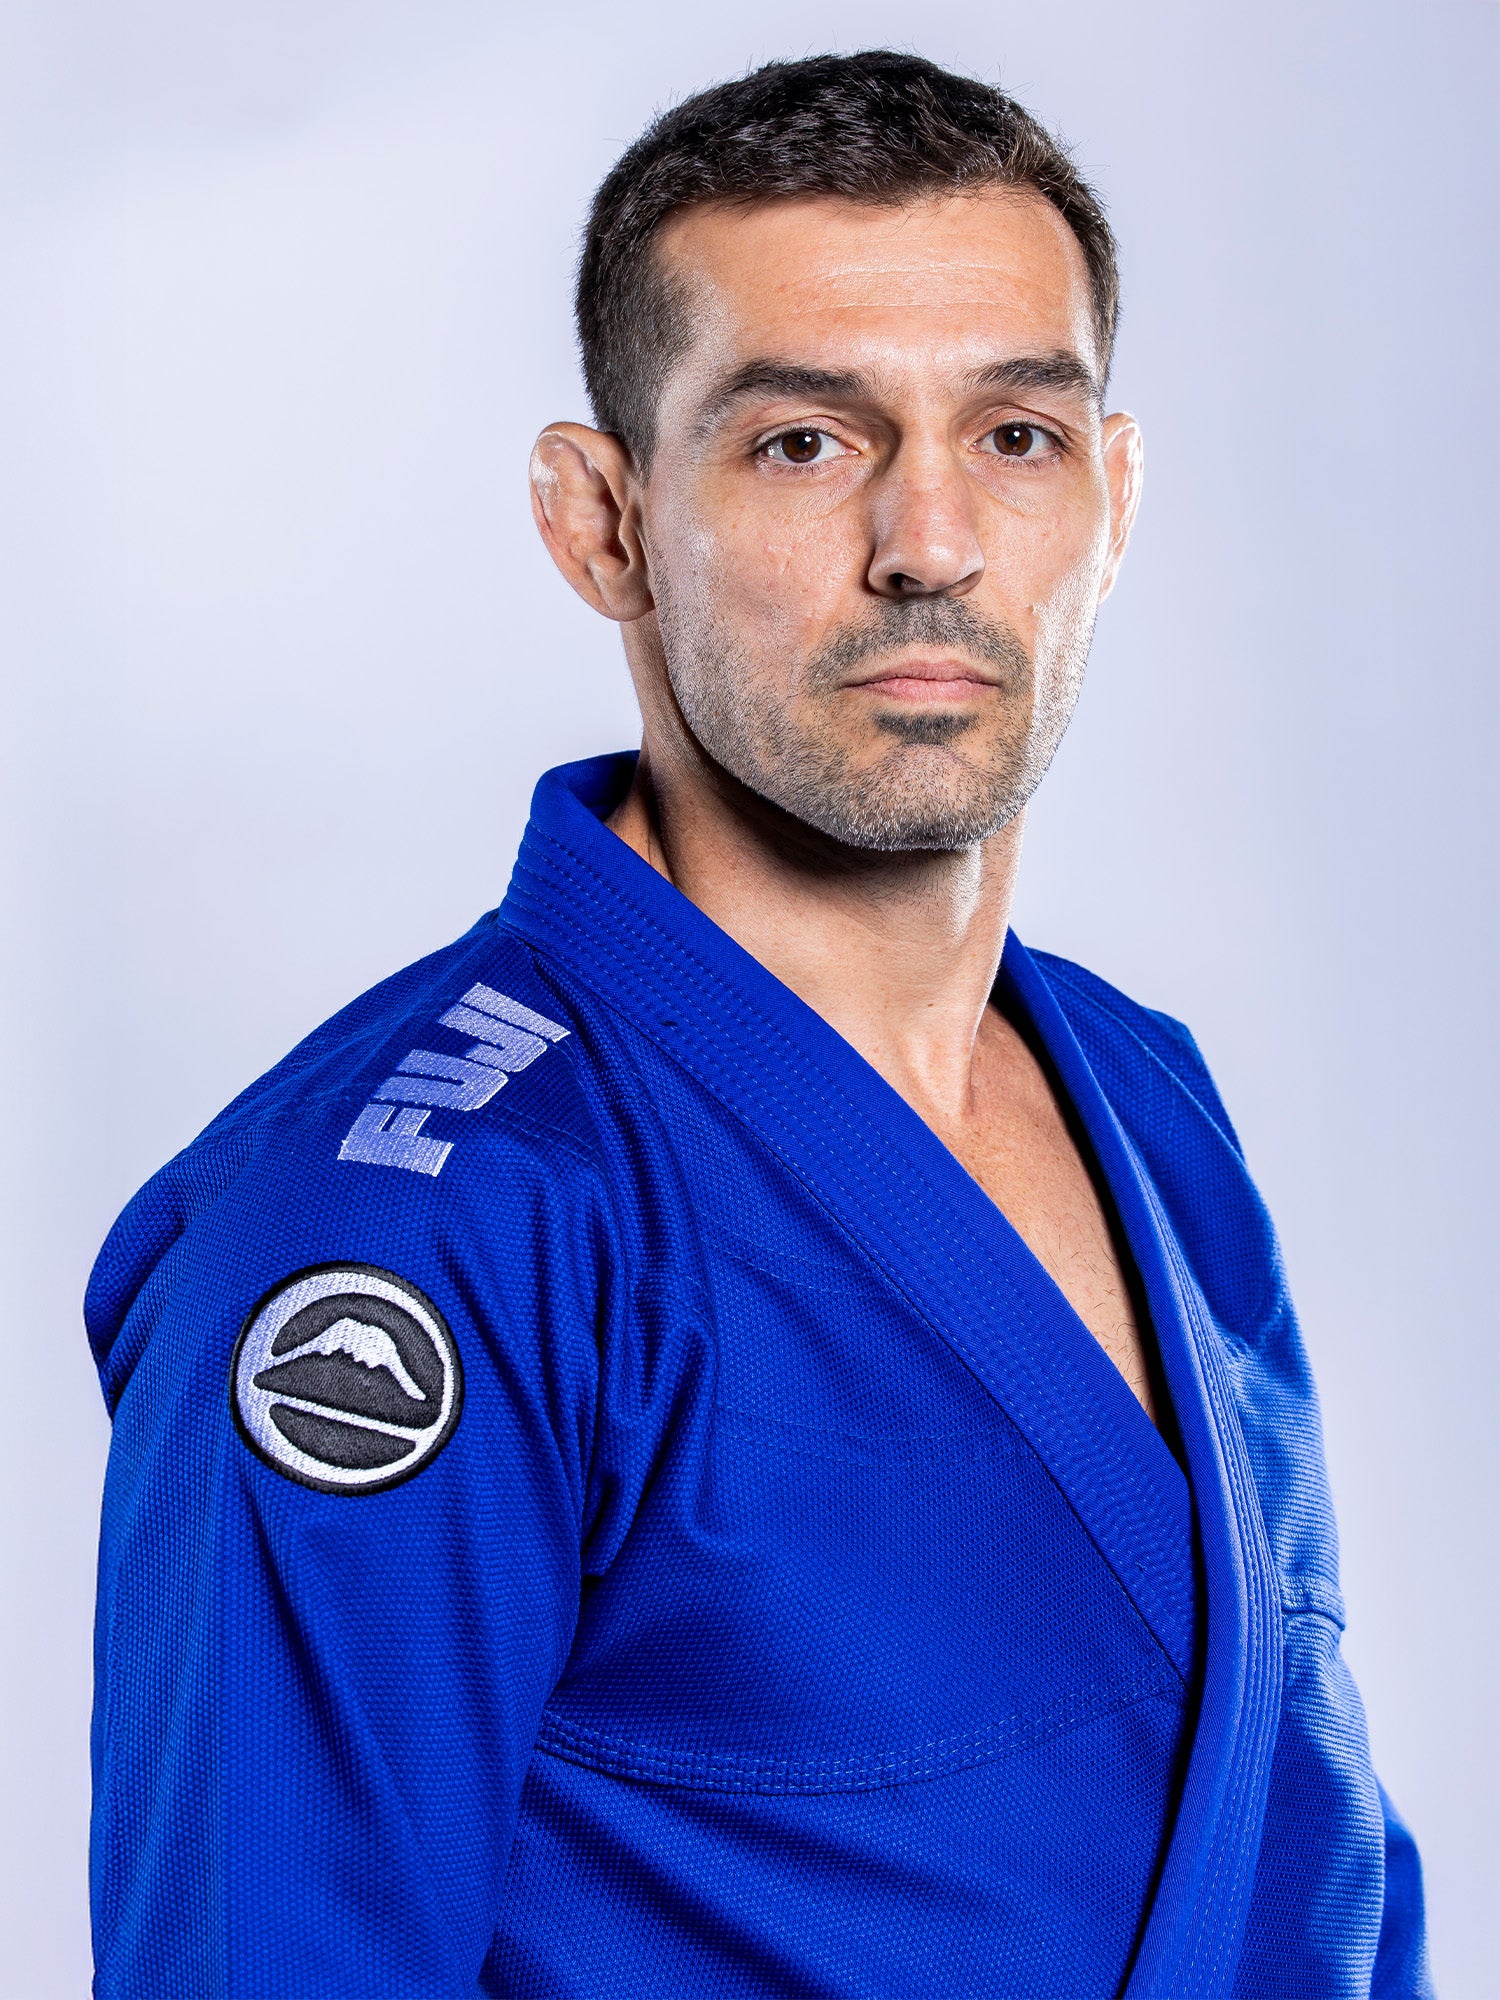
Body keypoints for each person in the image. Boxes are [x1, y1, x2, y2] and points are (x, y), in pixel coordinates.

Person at [86, 51, 1432, 1999]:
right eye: (805, 442)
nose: (931, 542)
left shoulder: (1147, 1096)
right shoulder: (418, 1232)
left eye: (1017, 438)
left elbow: (1308, 1859)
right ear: (603, 521)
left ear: (1115, 501)